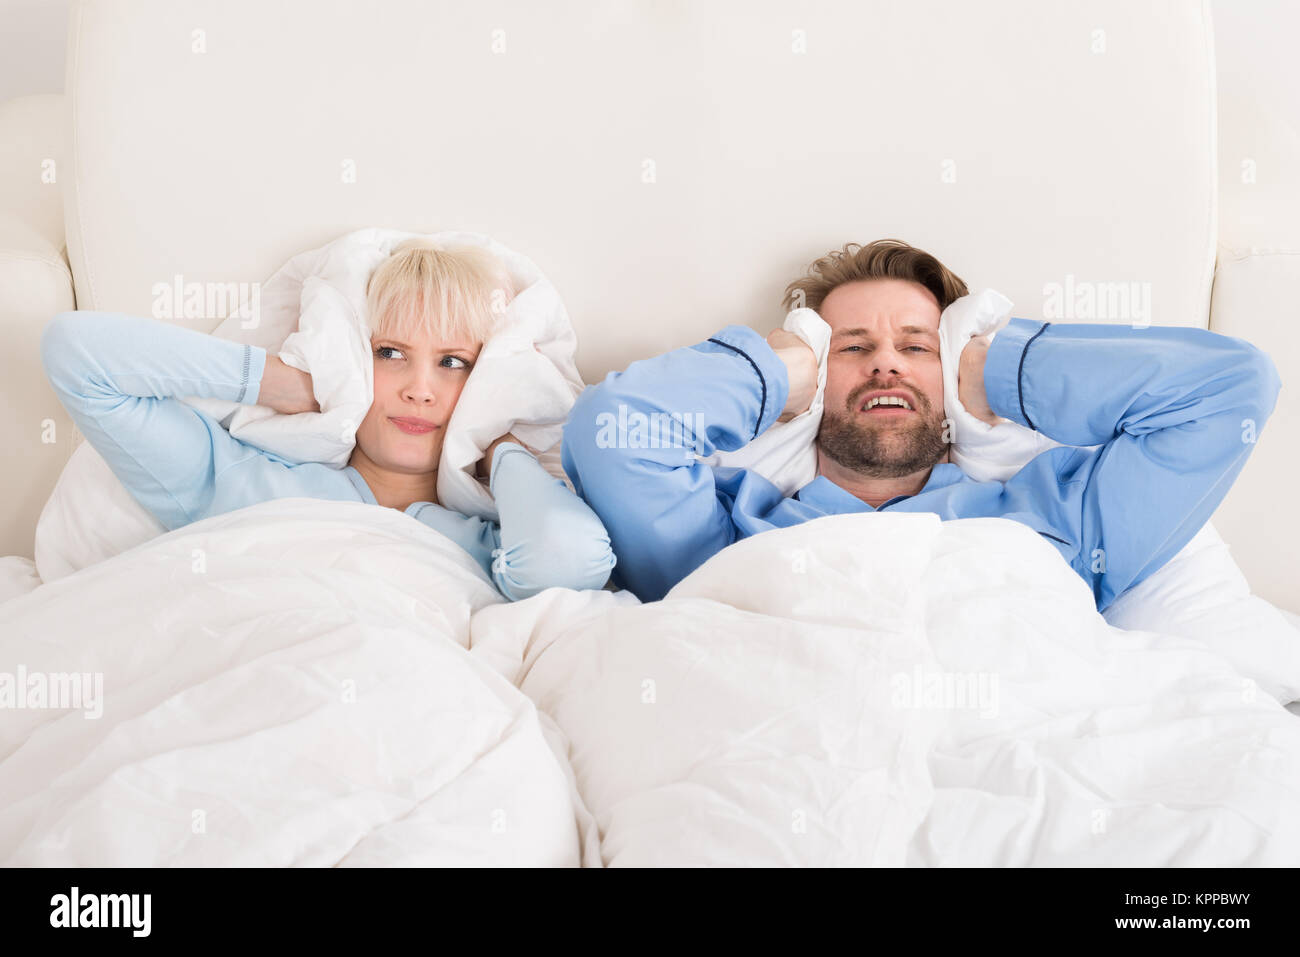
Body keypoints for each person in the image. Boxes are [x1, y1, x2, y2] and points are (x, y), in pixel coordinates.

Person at [562, 239, 1282, 611]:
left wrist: (994, 372)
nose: (885, 366)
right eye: (849, 348)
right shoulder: (722, 534)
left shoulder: (1059, 520)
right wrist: (774, 373)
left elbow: (1231, 388)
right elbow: (610, 430)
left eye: (915, 347)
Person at [41, 239, 615, 601]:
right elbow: (79, 355)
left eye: (453, 363)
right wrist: (287, 384)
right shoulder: (237, 481)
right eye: (389, 353)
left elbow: (568, 562)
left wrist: (497, 446)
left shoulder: (492, 542)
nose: (419, 389)